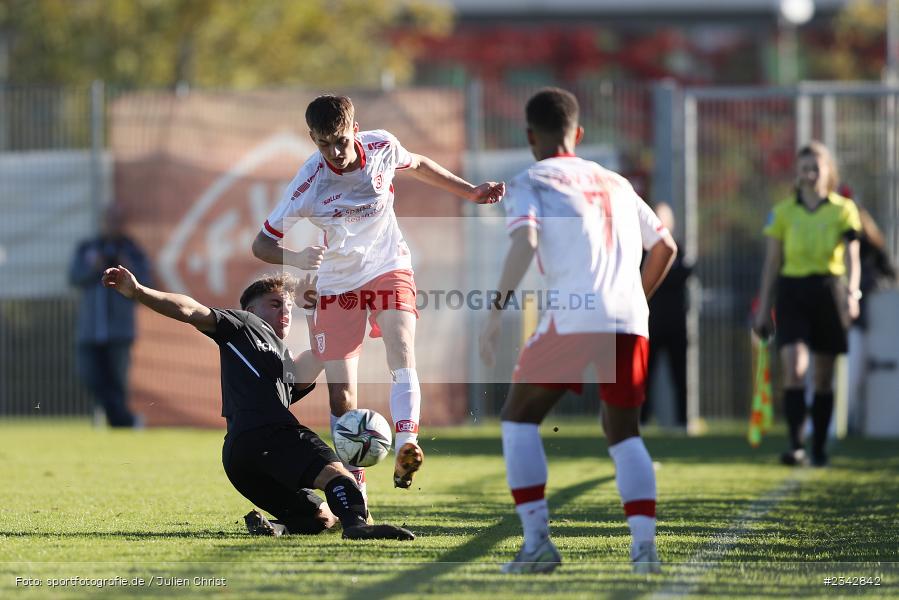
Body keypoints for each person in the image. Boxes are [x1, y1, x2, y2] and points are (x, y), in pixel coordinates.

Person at [251, 94, 504, 494]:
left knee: (401, 345)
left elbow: (417, 163)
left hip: (389, 266)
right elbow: (262, 245)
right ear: (311, 139)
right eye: (322, 143)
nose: (333, 152)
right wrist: (299, 259)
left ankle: (407, 442)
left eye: (339, 140)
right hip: (336, 283)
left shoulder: (382, 145)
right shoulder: (309, 183)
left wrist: (470, 191)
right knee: (342, 396)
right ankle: (357, 492)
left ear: (354, 129)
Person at [479, 88, 677, 574]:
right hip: (629, 319)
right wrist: (634, 303)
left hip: (572, 315)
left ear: (530, 136)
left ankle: (538, 544)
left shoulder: (531, 181)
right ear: (579, 133)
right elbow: (666, 247)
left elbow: (525, 242)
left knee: (518, 418)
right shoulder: (617, 182)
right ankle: (645, 552)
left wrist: (495, 309)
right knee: (624, 433)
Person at [101, 265, 414, 541]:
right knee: (339, 477)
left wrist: (322, 313)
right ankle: (358, 526)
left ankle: (277, 528)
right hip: (268, 434)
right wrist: (139, 291)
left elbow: (320, 357)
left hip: (241, 457)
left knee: (322, 518)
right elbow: (189, 310)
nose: (284, 311)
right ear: (249, 308)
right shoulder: (242, 324)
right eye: (275, 304)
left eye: (288, 306)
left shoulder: (282, 359)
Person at [753, 141, 862, 467]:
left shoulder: (844, 209)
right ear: (797, 174)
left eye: (816, 168)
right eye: (805, 169)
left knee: (824, 376)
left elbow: (853, 258)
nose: (811, 174)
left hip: (829, 291)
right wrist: (762, 309)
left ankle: (819, 449)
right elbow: (772, 263)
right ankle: (796, 445)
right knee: (795, 367)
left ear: (828, 171)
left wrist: (853, 294)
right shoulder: (784, 212)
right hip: (792, 293)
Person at [69, 203, 151, 428]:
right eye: (110, 219)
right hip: (89, 329)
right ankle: (125, 421)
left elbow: (147, 284)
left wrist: (130, 267)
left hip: (119, 330)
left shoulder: (133, 250)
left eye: (118, 220)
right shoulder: (87, 248)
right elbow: (74, 277)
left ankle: (119, 424)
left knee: (118, 383)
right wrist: (92, 268)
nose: (113, 224)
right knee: (90, 376)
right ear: (103, 221)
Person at [846, 202, 897, 433]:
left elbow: (890, 274)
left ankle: (858, 420)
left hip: (867, 321)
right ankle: (848, 420)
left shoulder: (872, 249)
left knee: (861, 373)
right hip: (845, 321)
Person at [643, 202, 692, 428]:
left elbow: (683, 275)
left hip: (675, 326)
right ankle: (641, 420)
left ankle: (682, 421)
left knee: (679, 376)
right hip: (650, 326)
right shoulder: (643, 253)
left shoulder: (680, 250)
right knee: (644, 376)